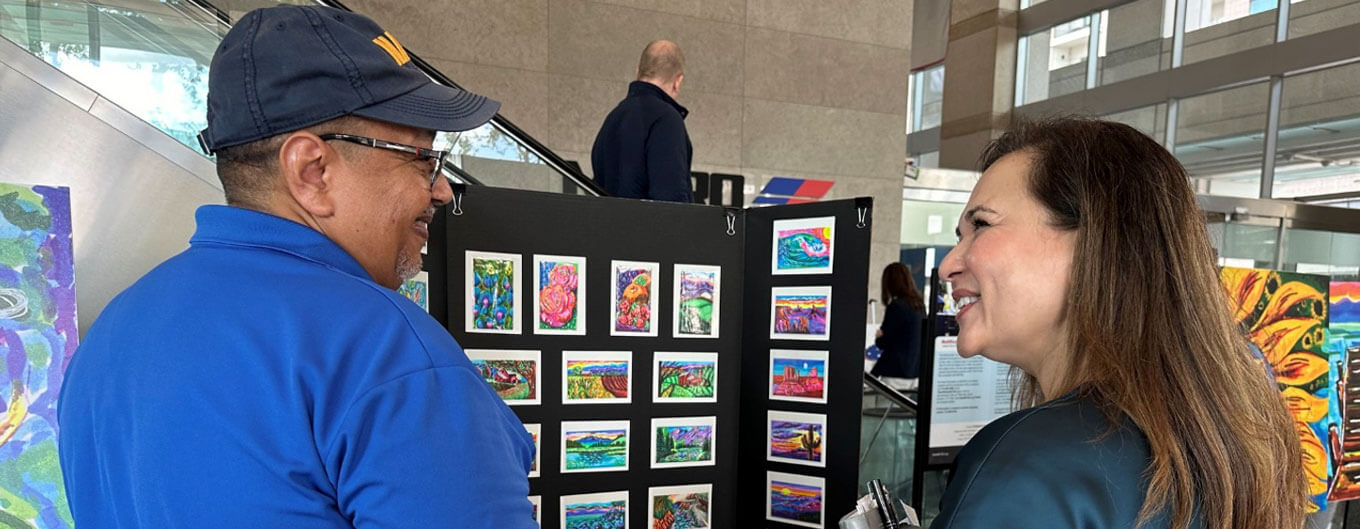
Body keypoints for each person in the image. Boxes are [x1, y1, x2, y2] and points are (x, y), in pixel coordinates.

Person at [57, 6, 535, 528]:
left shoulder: (111, 334)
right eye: (422, 158)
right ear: (312, 171)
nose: (441, 190)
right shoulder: (384, 349)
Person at [932, 117, 1308, 529]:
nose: (948, 265)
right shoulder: (1244, 454)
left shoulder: (1028, 466)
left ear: (1093, 242)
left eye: (981, 226)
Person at [590, 40, 694, 202]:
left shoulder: (614, 118)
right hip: (644, 219)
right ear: (677, 82)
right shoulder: (666, 120)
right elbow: (671, 200)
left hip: (608, 218)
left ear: (638, 71)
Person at [872, 263, 926, 382]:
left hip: (894, 371)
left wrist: (879, 337)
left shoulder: (896, 306)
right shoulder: (919, 305)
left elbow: (885, 342)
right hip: (914, 372)